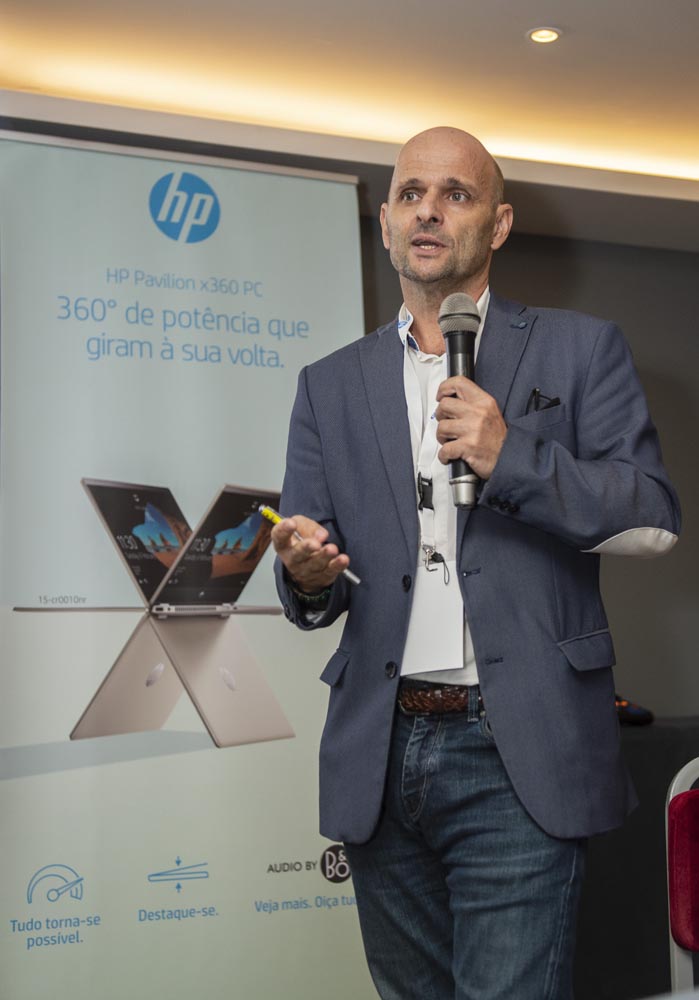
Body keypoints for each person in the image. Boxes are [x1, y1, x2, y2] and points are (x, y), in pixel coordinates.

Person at [271, 126, 680, 1000]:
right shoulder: (328, 383)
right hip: (380, 750)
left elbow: (652, 519)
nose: (428, 211)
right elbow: (314, 564)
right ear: (386, 223)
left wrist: (511, 456)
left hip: (516, 747)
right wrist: (305, 574)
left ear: (496, 225)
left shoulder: (580, 348)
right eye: (410, 194)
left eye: (454, 194)